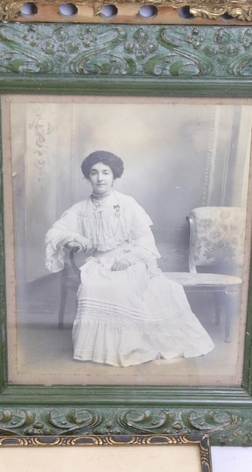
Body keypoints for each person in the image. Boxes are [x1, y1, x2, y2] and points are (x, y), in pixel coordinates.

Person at [45, 151, 215, 367]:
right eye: (94, 173)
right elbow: (55, 232)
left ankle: (131, 348)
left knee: (125, 287)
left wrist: (129, 259)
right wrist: (76, 237)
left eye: (105, 173)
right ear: (88, 177)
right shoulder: (80, 209)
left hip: (129, 259)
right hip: (98, 262)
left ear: (114, 176)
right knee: (94, 287)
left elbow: (145, 240)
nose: (100, 178)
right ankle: (102, 350)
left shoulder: (127, 204)